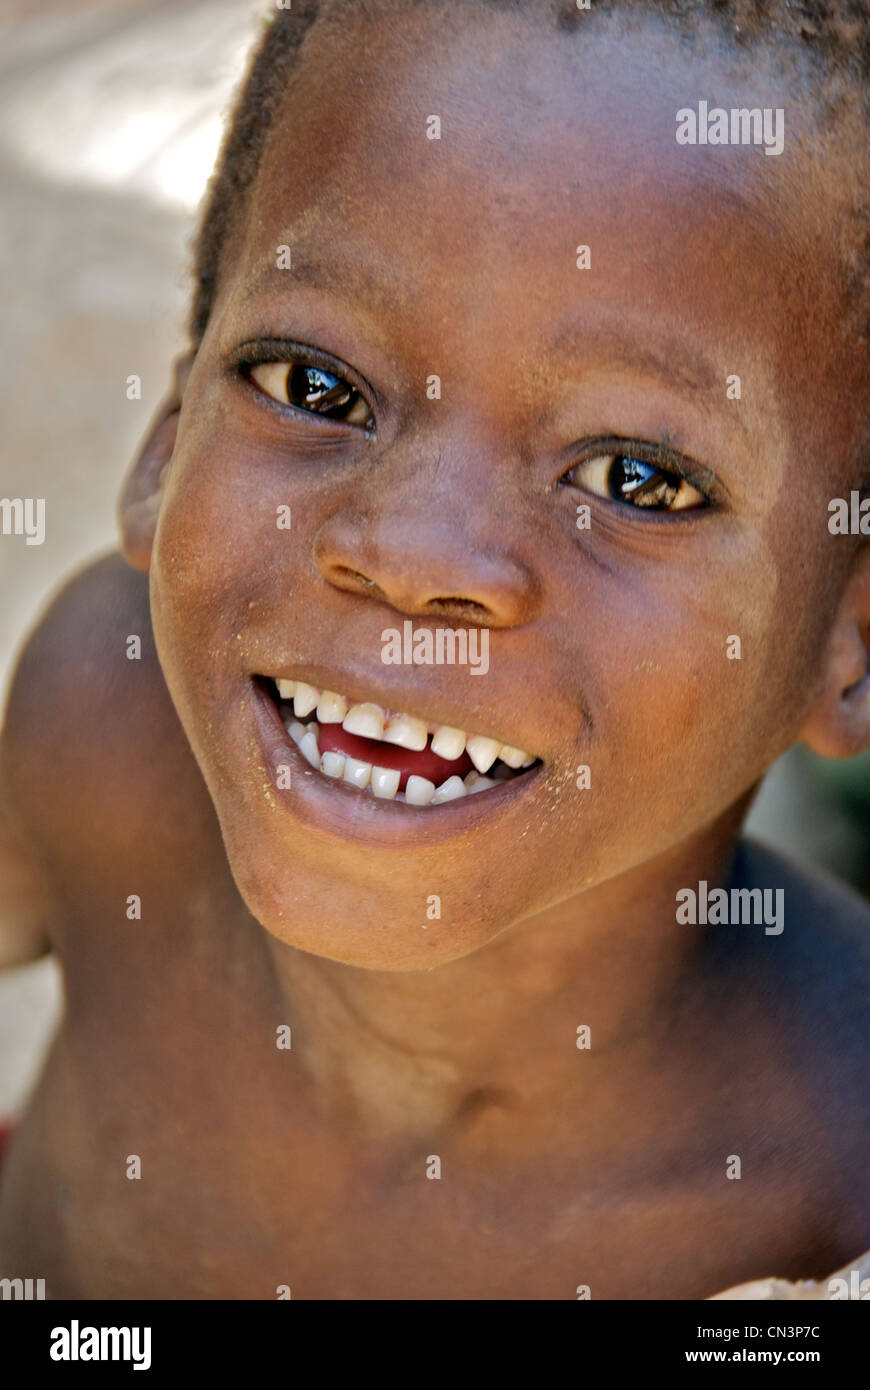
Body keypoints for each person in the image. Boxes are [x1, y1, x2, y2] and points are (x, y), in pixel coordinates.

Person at [1, 0, 868, 1299]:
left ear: (848, 639)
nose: (408, 552)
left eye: (635, 476)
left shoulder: (826, 1177)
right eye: (314, 387)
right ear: (168, 440)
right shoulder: (100, 721)